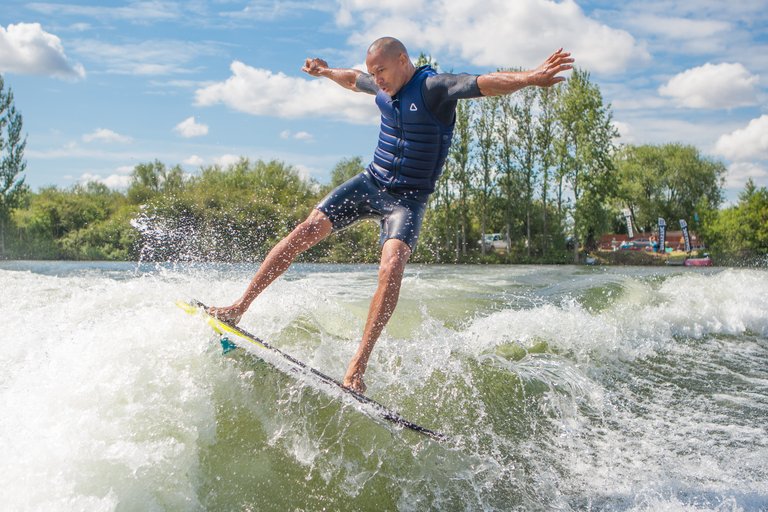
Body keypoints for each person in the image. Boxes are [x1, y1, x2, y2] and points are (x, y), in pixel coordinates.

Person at [209, 37, 573, 393]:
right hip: (371, 182)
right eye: (374, 71)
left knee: (392, 263)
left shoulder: (433, 88)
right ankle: (238, 308)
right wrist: (323, 71)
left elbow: (480, 83)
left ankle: (356, 367)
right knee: (307, 228)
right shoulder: (381, 86)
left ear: (403, 60)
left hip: (407, 200)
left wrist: (530, 77)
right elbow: (353, 79)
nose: (377, 78)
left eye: (382, 69)